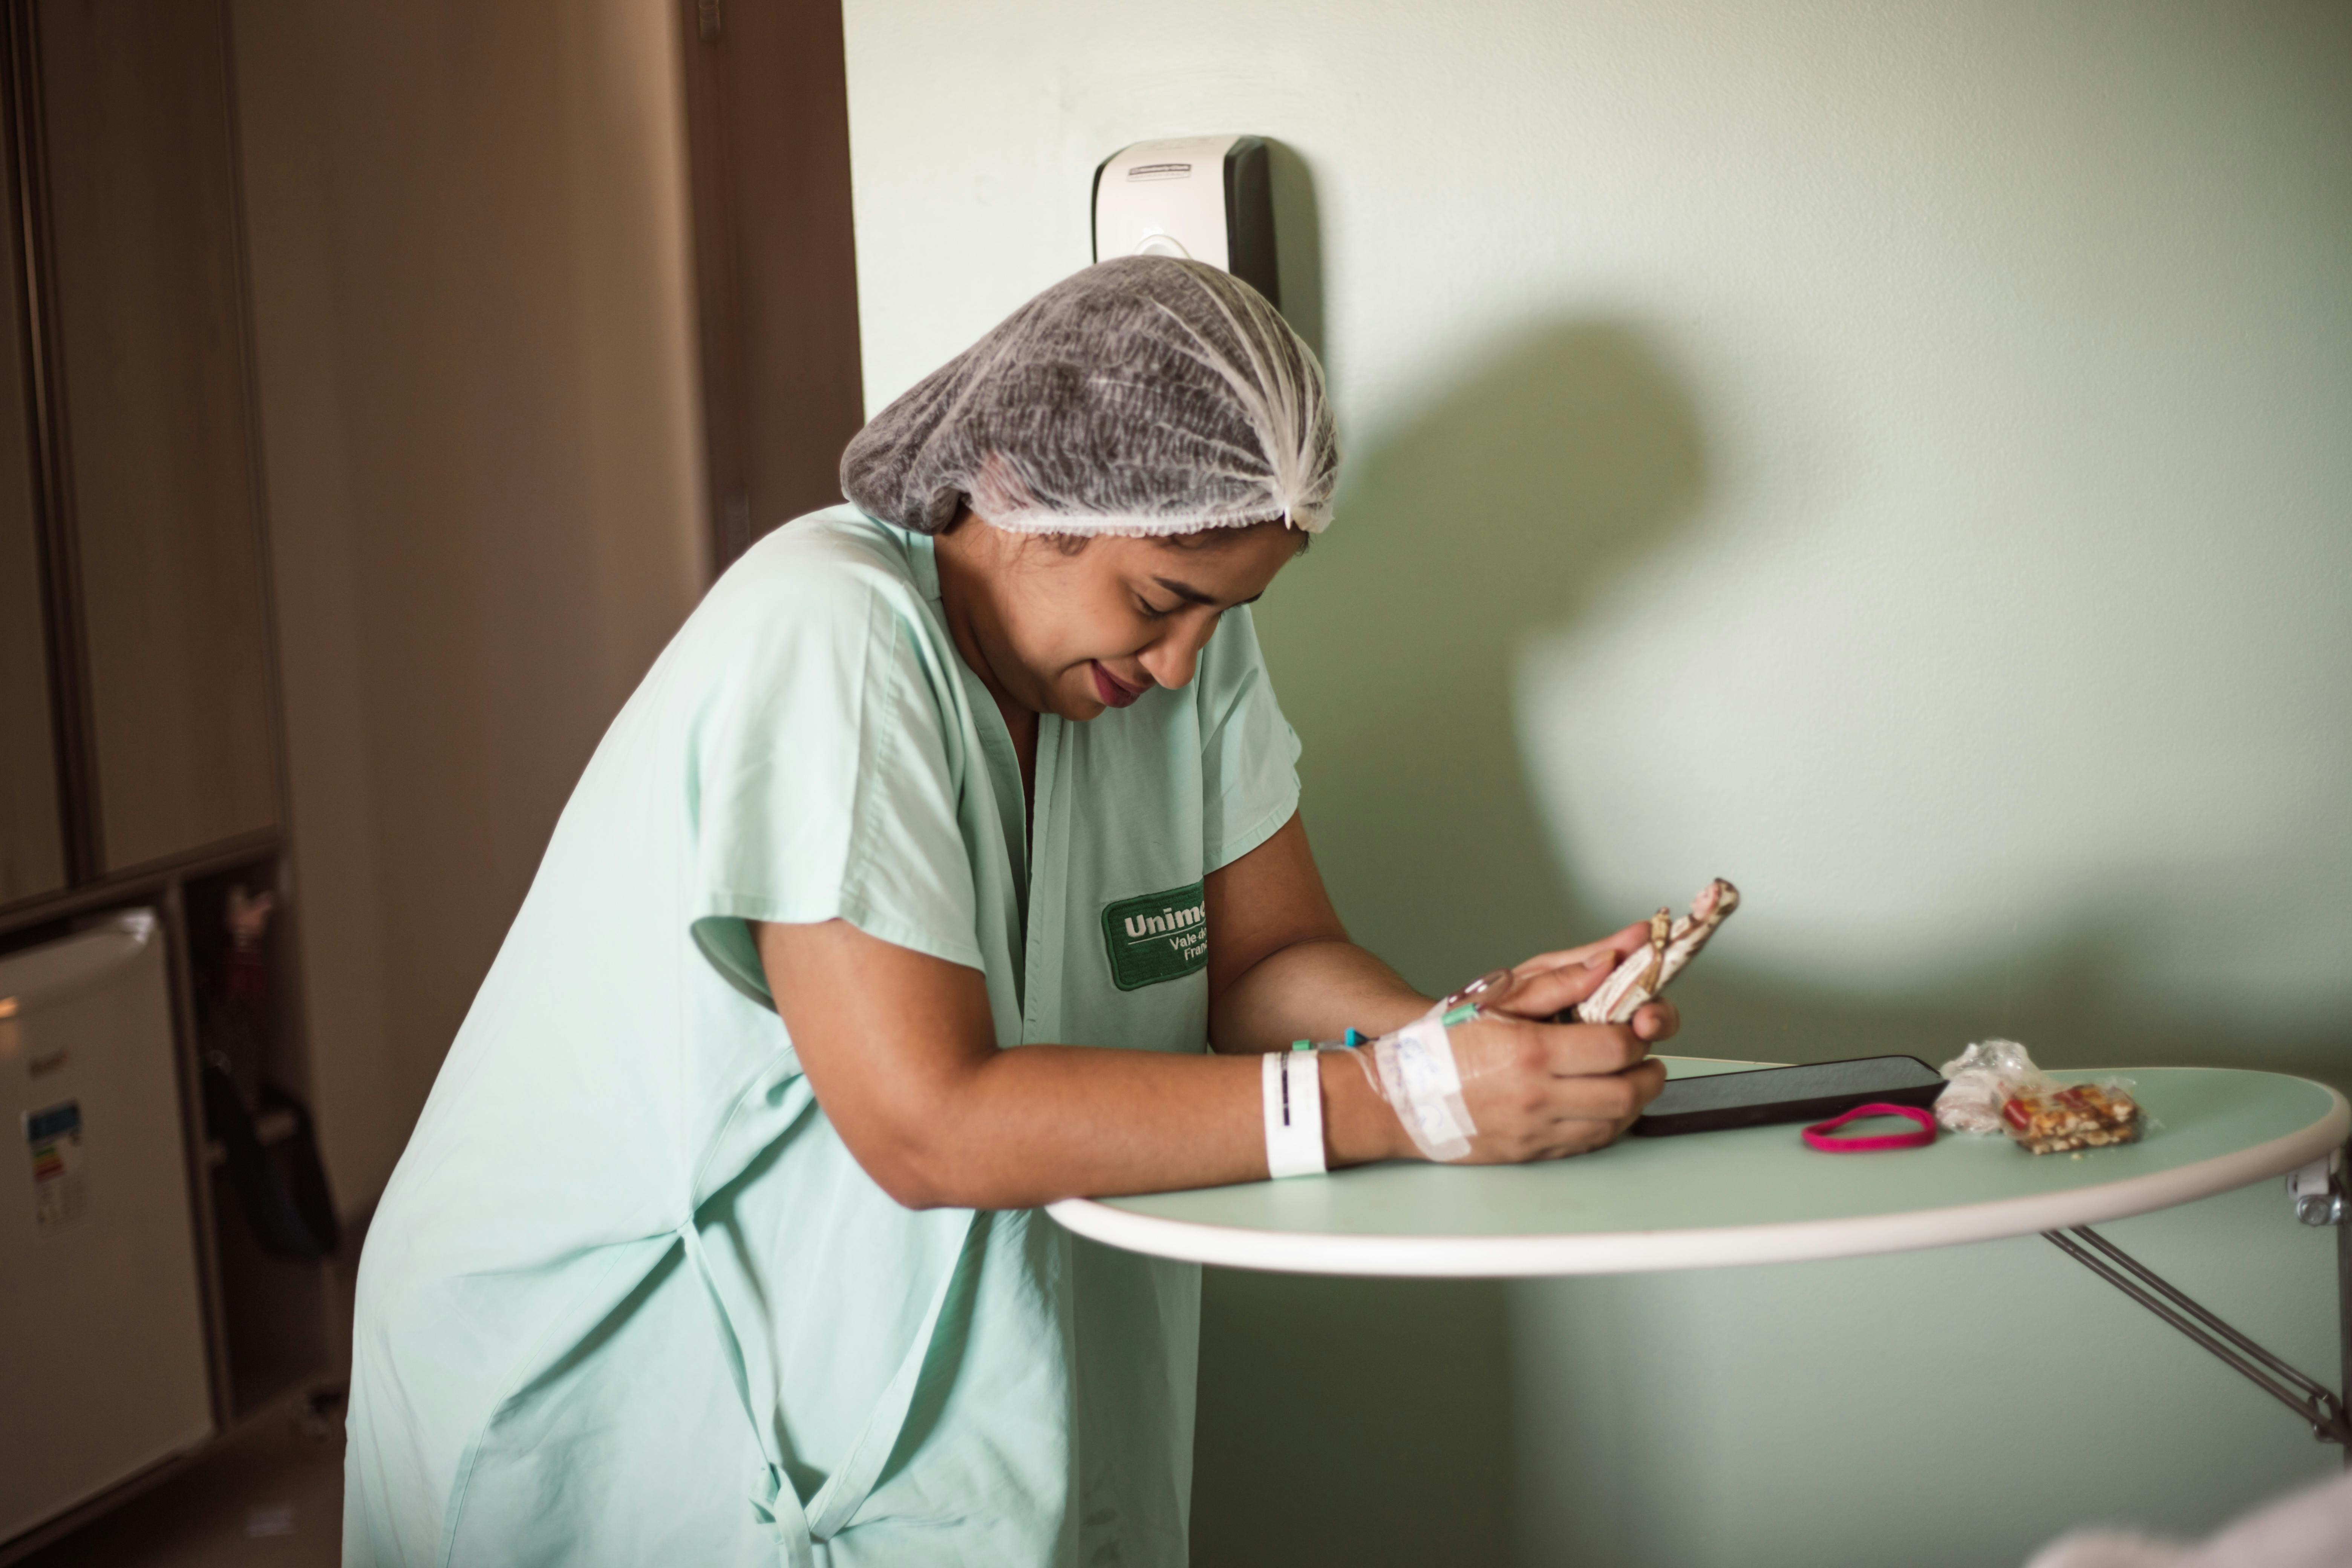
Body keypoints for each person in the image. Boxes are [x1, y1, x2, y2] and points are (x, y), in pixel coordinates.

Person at [343, 256, 1677, 1568]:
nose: (1183, 664)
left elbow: (1266, 958)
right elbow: (930, 1124)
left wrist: (1447, 1038)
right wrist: (1396, 1104)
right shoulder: (832, 635)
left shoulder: (1173, 654)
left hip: (897, 1364)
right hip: (619, 1362)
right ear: (1027, 491)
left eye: (1229, 614)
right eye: (1163, 601)